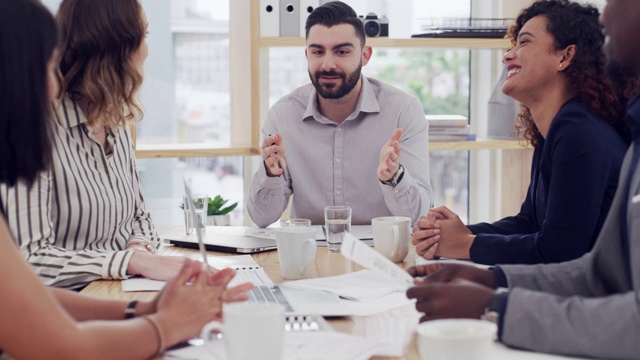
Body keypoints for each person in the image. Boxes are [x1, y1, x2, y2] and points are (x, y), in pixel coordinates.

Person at [0, 0, 252, 358]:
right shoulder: (35, 134)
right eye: (46, 65)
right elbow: (58, 334)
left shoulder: (116, 122)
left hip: (105, 302)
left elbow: (25, 295)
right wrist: (165, 318)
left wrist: (146, 304)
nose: (55, 87)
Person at [405, 0, 640, 358]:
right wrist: (462, 240)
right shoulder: (559, 127)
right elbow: (533, 224)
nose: (508, 56)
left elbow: (560, 250)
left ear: (565, 57)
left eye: (524, 43)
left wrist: (470, 254)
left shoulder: (578, 130)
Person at [0, 0, 189, 289]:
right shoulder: (34, 130)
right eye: (144, 36)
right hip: (67, 311)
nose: (148, 50)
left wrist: (139, 248)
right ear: (117, 49)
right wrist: (129, 263)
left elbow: (139, 216)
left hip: (117, 295)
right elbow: (30, 259)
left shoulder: (117, 121)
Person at [247, 1, 433, 227]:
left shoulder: (402, 112)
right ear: (307, 55)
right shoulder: (282, 115)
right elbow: (260, 218)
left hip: (384, 253)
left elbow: (419, 217)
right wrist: (271, 175)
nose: (327, 64)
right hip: (310, 253)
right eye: (318, 51)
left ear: (365, 55)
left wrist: (395, 177)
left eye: (342, 51)